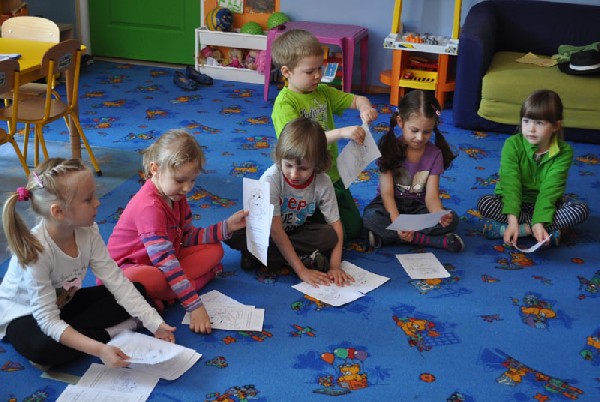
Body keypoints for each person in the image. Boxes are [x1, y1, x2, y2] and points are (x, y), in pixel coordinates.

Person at [0, 158, 176, 369]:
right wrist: (99, 349)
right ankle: (110, 333)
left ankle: (80, 336)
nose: (97, 203)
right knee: (44, 348)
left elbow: (116, 280)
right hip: (24, 313)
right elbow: (46, 320)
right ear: (59, 212)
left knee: (138, 290)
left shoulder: (88, 231)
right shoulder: (37, 251)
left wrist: (155, 324)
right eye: (88, 199)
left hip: (63, 301)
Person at [107, 130, 248, 334]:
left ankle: (164, 296)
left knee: (215, 250)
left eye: (192, 181)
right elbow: (166, 262)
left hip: (164, 257)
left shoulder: (175, 196)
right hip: (127, 270)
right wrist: (195, 306)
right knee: (151, 279)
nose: (187, 188)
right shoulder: (149, 207)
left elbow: (188, 236)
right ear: (155, 169)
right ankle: (181, 290)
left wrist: (227, 226)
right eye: (180, 180)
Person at [270, 29, 379, 241]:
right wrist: (341, 132)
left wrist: (365, 107)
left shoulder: (323, 92)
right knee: (328, 233)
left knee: (353, 229)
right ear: (287, 71)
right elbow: (301, 144)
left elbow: (357, 99)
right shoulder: (285, 104)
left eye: (320, 68)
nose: (318, 75)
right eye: (309, 71)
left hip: (332, 174)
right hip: (303, 179)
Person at [226, 117, 354, 287]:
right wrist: (302, 271)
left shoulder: (323, 182)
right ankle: (293, 258)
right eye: (288, 165)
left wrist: (335, 266)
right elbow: (276, 231)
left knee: (329, 235)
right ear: (280, 158)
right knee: (232, 233)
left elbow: (336, 225)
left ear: (318, 164)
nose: (294, 174)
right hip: (269, 233)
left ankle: (261, 258)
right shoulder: (271, 179)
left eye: (303, 168)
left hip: (296, 232)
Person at [477, 89, 589, 247]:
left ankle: (520, 229)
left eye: (539, 123)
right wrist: (513, 220)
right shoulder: (512, 144)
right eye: (526, 121)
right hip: (514, 202)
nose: (531, 129)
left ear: (556, 125)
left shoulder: (564, 152)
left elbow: (550, 190)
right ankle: (542, 231)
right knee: (485, 203)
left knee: (580, 210)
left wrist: (539, 221)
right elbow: (510, 184)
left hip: (545, 204)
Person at [363, 90, 464, 252]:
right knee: (370, 217)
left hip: (418, 207)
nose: (420, 138)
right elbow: (386, 194)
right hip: (389, 205)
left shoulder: (435, 154)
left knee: (453, 220)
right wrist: (398, 222)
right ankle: (427, 240)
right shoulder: (389, 148)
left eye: (426, 132)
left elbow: (431, 196)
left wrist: (439, 214)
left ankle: (389, 238)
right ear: (400, 122)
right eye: (414, 130)